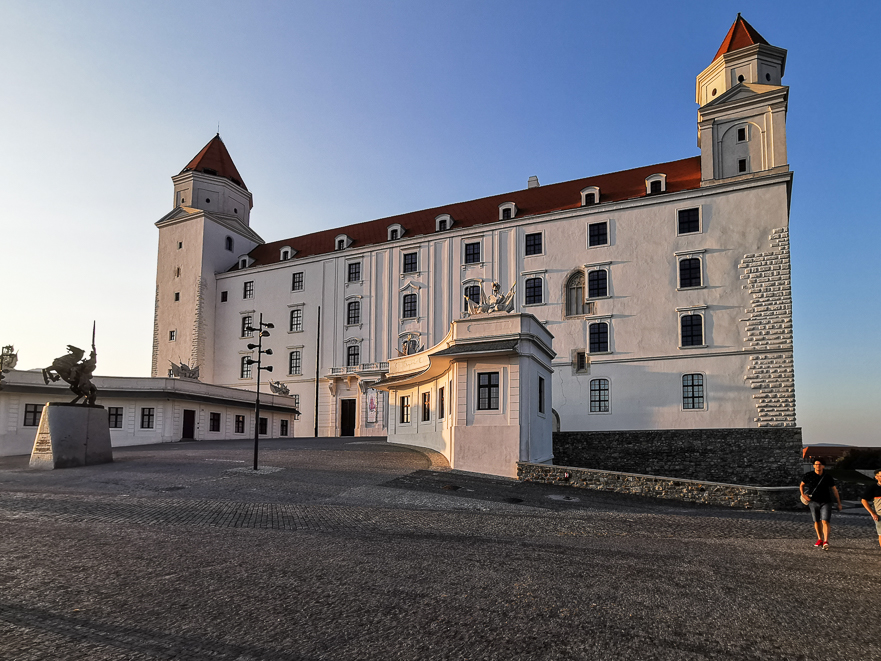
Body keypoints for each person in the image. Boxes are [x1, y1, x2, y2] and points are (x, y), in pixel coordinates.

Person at [799, 458, 842, 550]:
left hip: (826, 501)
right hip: (813, 501)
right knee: (816, 521)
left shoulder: (828, 477)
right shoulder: (808, 475)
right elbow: (801, 485)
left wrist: (839, 502)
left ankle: (826, 541)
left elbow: (834, 490)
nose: (818, 466)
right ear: (814, 466)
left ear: (823, 466)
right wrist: (803, 495)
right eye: (816, 464)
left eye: (819, 464)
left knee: (825, 521)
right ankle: (820, 539)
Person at [859, 469, 881, 549]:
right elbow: (863, 500)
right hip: (879, 514)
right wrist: (872, 513)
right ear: (876, 477)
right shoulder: (873, 487)